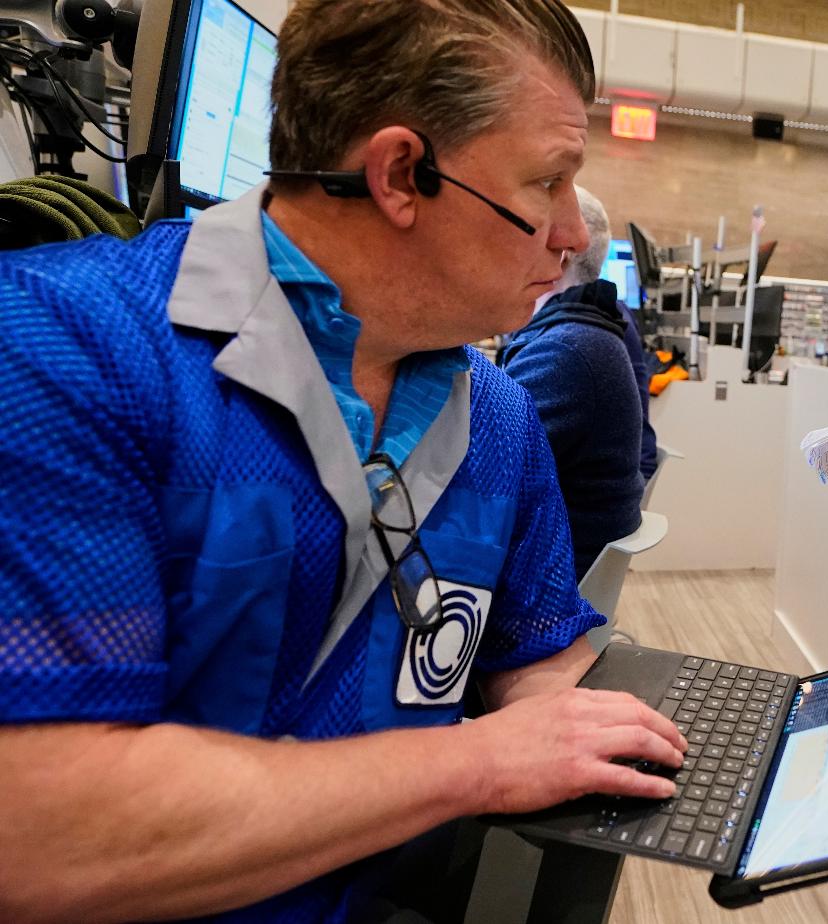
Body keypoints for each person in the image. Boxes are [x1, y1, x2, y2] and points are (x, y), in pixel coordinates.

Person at [0, 1, 687, 921]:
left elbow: (539, 649)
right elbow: (45, 831)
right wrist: (476, 762)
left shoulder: (498, 418)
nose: (572, 235)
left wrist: (643, 734)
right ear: (402, 173)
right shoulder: (64, 353)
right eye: (547, 184)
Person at [498, 186, 647, 579]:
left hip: (544, 588)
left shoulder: (566, 352)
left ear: (561, 251)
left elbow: (479, 477)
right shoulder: (582, 337)